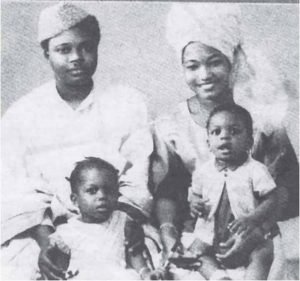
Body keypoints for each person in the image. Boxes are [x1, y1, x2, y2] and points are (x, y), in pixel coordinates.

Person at [1, 3, 153, 280]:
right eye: (64, 49)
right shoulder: (21, 115)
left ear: (96, 48)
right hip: (42, 233)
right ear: (46, 52)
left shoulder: (127, 103)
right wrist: (48, 241)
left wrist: (117, 226)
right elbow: (17, 192)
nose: (77, 57)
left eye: (86, 47)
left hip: (116, 222)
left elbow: (137, 177)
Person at [151, 3, 299, 278]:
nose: (204, 75)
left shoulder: (262, 116)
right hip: (199, 234)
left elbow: (290, 184)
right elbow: (168, 191)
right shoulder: (172, 124)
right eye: (193, 66)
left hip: (257, 232)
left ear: (232, 61)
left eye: (215, 62)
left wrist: (258, 229)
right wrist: (169, 234)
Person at [183, 104, 276, 280]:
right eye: (216, 132)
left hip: (247, 235)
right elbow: (194, 193)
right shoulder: (203, 171)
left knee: (262, 253)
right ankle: (218, 276)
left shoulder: (255, 170)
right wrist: (194, 203)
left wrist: (252, 219)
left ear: (249, 141)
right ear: (208, 143)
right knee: (195, 253)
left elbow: (272, 199)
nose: (224, 136)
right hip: (211, 234)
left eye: (234, 131)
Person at [43, 157, 165, 280]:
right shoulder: (66, 233)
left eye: (108, 190)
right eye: (92, 191)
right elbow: (59, 269)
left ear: (117, 195)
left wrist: (145, 273)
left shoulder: (123, 222)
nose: (102, 196)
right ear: (75, 200)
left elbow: (134, 254)